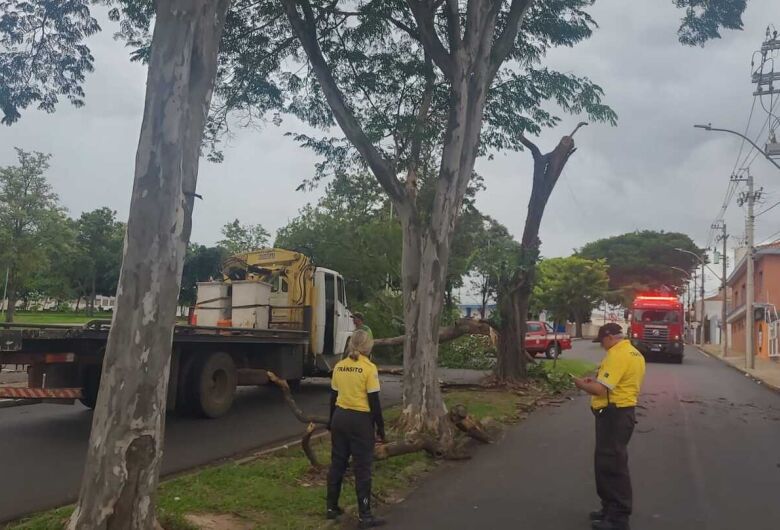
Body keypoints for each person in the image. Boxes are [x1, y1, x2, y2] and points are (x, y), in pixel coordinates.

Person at [573, 323, 646, 530]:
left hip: (614, 415)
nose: (602, 346)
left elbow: (600, 390)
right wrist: (595, 380)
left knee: (613, 466)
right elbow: (612, 383)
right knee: (607, 463)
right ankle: (608, 509)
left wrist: (582, 384)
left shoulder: (617, 355)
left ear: (609, 337)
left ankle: (618, 518)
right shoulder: (633, 353)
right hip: (622, 413)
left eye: (602, 342)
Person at [326, 329, 386, 528]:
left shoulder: (339, 366)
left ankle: (331, 508)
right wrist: (381, 429)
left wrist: (330, 420)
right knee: (362, 469)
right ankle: (365, 515)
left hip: (340, 418)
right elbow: (374, 403)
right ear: (369, 347)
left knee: (337, 464)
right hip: (360, 421)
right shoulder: (369, 368)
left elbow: (333, 398)